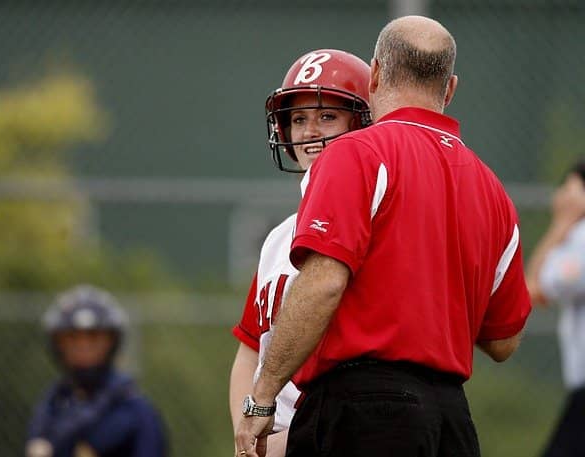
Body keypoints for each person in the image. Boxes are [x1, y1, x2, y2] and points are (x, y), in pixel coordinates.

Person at [234, 15, 531, 457]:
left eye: (327, 116)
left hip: (365, 407)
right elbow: (504, 340)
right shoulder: (492, 188)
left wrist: (262, 396)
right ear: (449, 88)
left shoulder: (355, 154)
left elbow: (324, 282)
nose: (311, 131)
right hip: (450, 416)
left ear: (375, 75)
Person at [229, 49, 371, 457]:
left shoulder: (374, 224)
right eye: (298, 118)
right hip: (272, 428)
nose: (310, 131)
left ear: (360, 123)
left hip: (337, 431)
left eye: (327, 117)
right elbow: (250, 349)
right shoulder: (278, 238)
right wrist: (246, 440)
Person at [25, 284, 169, 457]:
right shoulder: (52, 407)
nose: (83, 346)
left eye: (94, 337)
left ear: (112, 342)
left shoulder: (135, 411)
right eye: (72, 337)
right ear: (57, 344)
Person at [525, 161, 585, 457]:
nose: (560, 197)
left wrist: (560, 225)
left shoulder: (581, 238)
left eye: (570, 188)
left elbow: (532, 289)